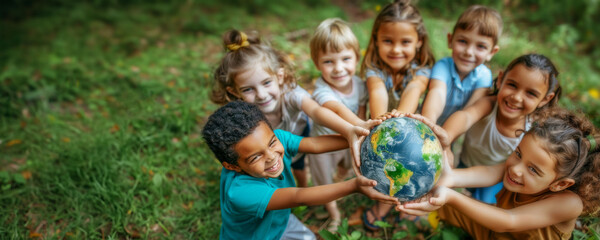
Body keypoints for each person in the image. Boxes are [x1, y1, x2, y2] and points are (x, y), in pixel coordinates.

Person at [202, 101, 399, 240]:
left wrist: (357, 137)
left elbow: (313, 144)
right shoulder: (241, 193)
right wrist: (354, 186)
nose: (271, 156)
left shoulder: (276, 139)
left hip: (281, 222)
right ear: (231, 166)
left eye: (272, 143)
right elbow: (299, 196)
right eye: (256, 157)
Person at [397, 108, 600, 239]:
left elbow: (508, 221)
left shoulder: (570, 203)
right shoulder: (519, 166)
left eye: (533, 169)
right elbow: (487, 172)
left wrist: (451, 196)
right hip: (492, 232)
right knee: (440, 202)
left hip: (502, 227)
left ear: (560, 184)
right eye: (518, 153)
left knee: (451, 202)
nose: (516, 168)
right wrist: (450, 177)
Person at [211, 29, 371, 188]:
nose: (261, 94)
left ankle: (303, 190)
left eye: (267, 83)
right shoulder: (242, 114)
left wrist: (349, 129)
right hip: (268, 155)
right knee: (278, 177)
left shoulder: (291, 93)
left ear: (279, 77)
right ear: (234, 91)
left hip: (299, 140)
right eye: (248, 89)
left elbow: (316, 111)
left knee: (299, 168)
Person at [442, 54, 562, 204]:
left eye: (530, 93)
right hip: (466, 161)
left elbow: (498, 171)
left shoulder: (531, 132)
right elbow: (465, 117)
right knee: (447, 184)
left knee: (483, 203)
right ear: (500, 80)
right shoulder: (489, 105)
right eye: (512, 85)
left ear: (545, 99)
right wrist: (446, 139)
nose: (516, 97)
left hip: (496, 176)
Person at [359, 0, 435, 230]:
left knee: (413, 163)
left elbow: (415, 88)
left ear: (419, 42)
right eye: (388, 41)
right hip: (383, 128)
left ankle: (410, 198)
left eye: (405, 42)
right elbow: (377, 89)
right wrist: (383, 119)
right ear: (376, 40)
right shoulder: (375, 68)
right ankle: (386, 199)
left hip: (410, 131)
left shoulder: (422, 69)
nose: (396, 49)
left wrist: (400, 117)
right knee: (383, 163)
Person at [306, 18, 369, 231]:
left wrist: (359, 130)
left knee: (344, 167)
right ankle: (334, 214)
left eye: (345, 59)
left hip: (346, 141)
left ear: (357, 58)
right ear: (317, 64)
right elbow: (337, 109)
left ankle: (340, 178)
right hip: (322, 145)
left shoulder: (360, 85)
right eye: (328, 61)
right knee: (325, 182)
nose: (338, 68)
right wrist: (361, 124)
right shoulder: (321, 89)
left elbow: (360, 108)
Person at [421, 5, 502, 125]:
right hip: (425, 124)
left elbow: (468, 111)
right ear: (450, 40)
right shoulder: (443, 66)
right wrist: (429, 123)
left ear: (491, 52)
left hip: (452, 131)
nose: (469, 52)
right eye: (463, 41)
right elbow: (437, 93)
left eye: (480, 46)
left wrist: (448, 134)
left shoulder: (484, 76)